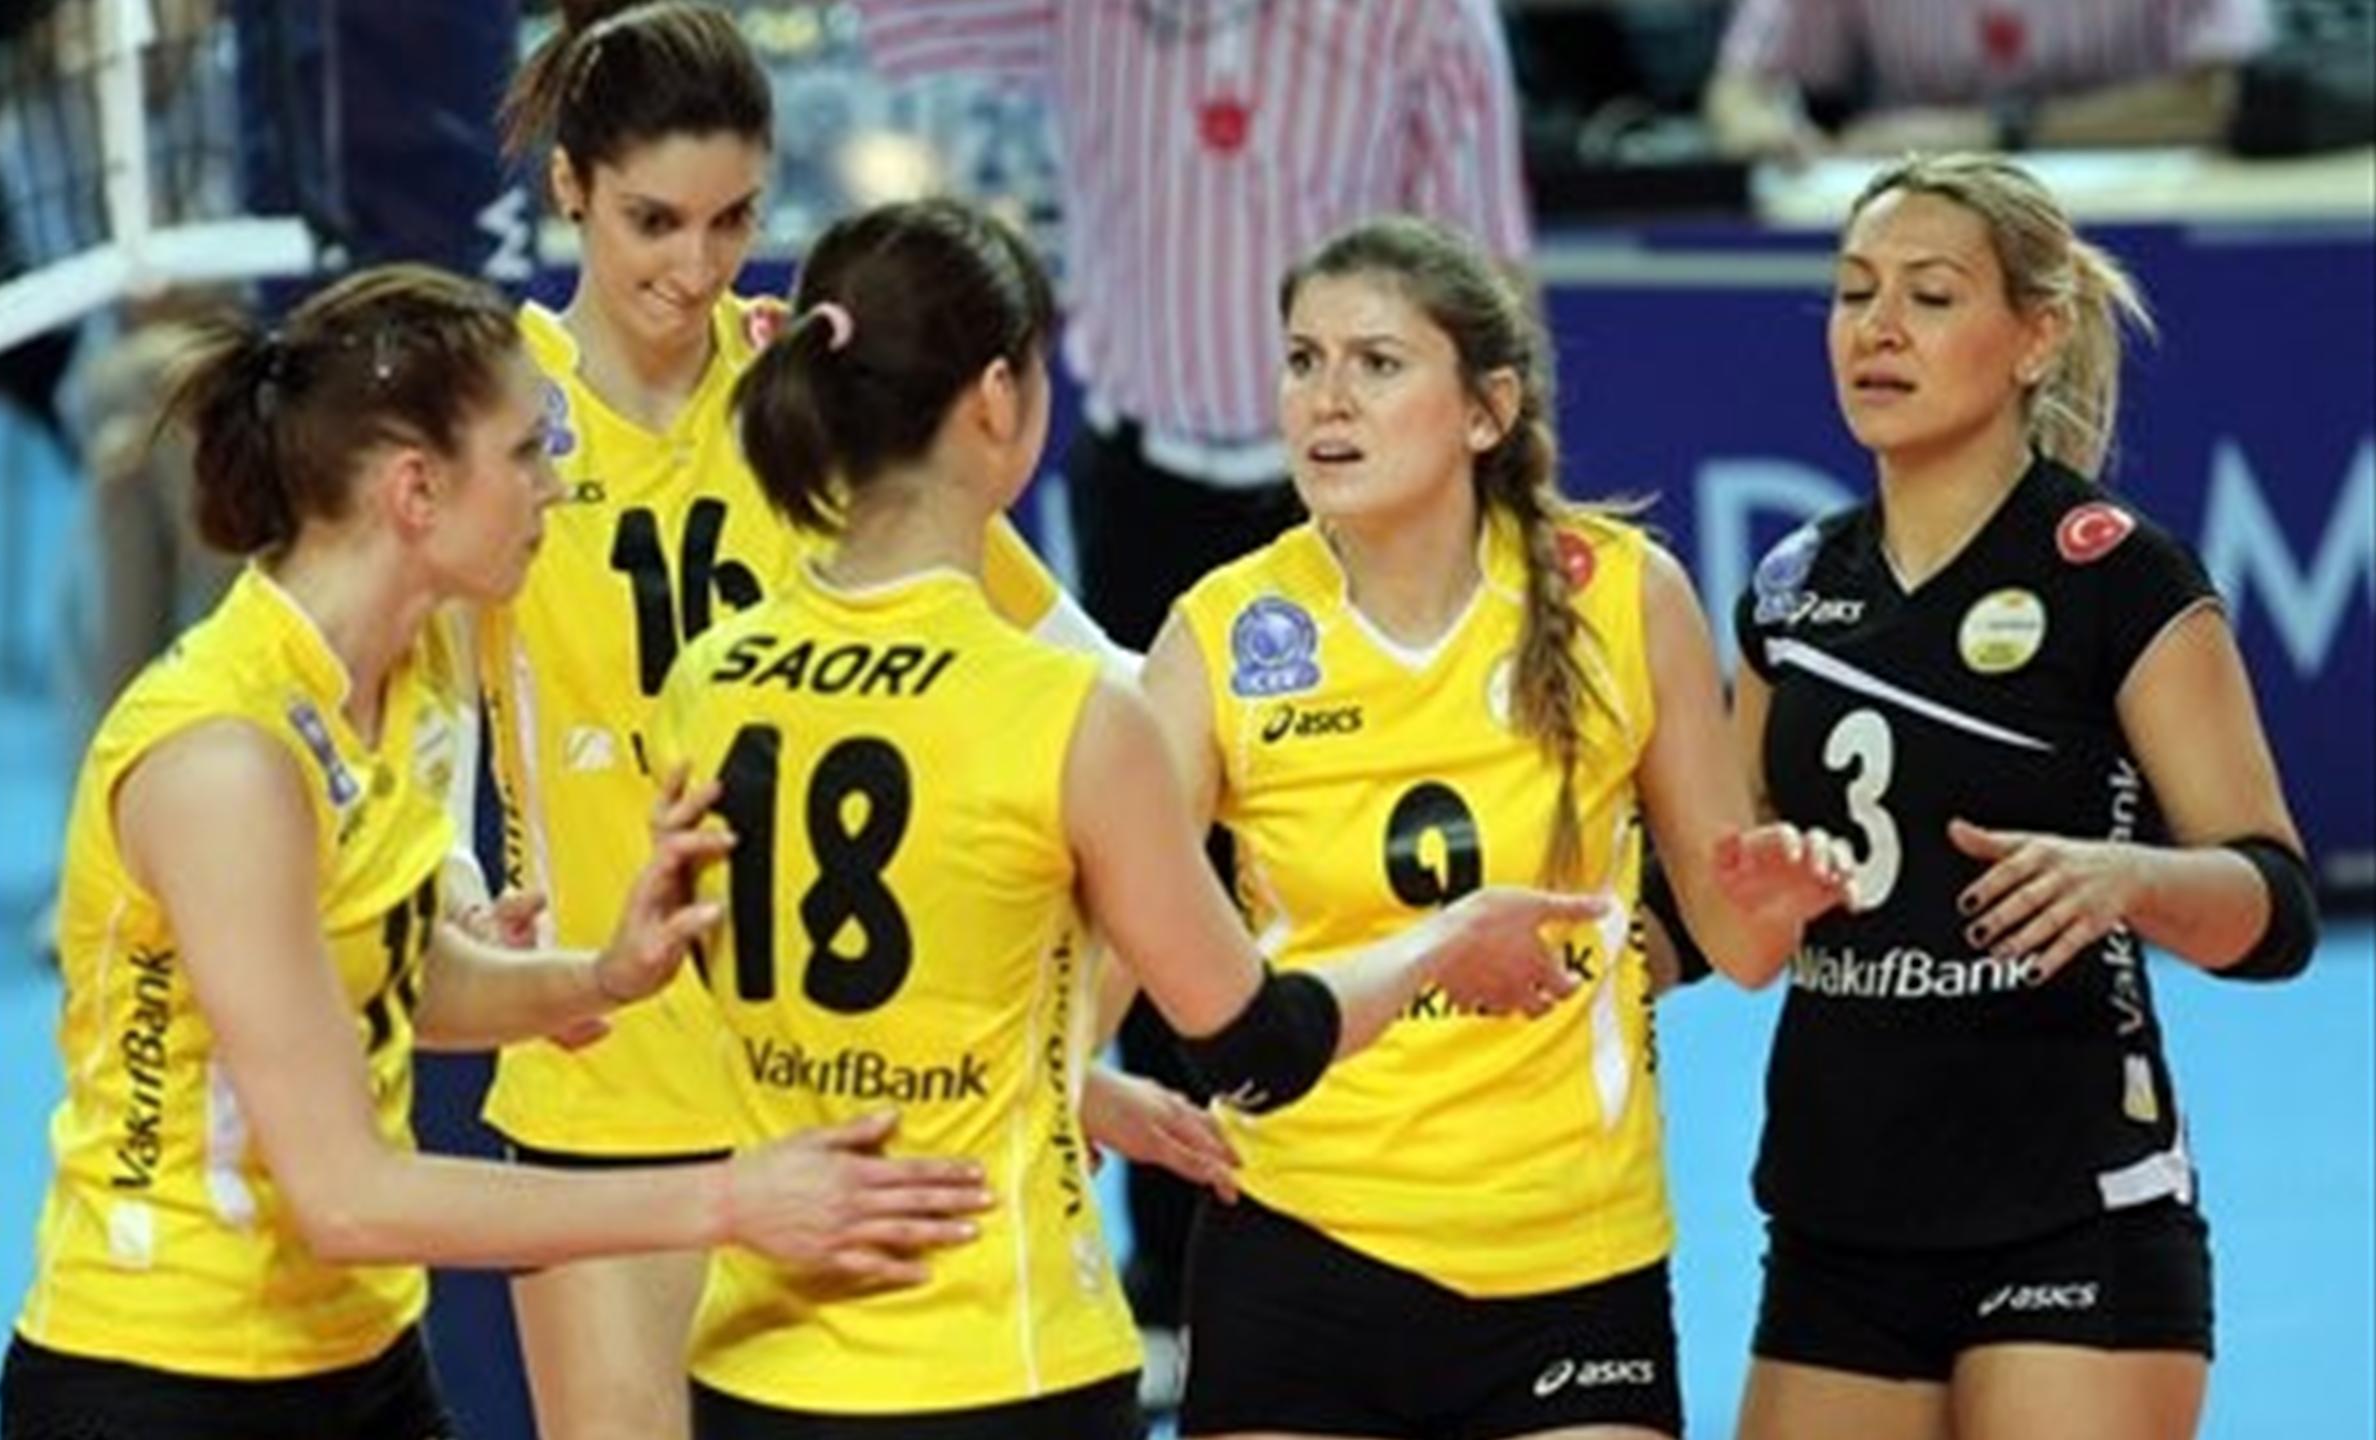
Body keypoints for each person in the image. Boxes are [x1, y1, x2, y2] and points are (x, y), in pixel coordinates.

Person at [650, 194, 1613, 1440]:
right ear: (997, 398)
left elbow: (819, 995)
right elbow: (1257, 1046)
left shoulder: (708, 679)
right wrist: (1445, 939)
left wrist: (1072, 1090)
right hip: (997, 1355)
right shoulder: (1065, 712)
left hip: (757, 1363)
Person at [0, 264, 998, 1440]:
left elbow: (377, 984)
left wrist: (592, 979)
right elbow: (348, 1197)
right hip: (162, 1381)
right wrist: (730, 1200)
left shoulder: (407, 674)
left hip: (360, 1356)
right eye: (526, 454)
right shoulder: (226, 763)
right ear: (415, 489)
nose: (554, 486)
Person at [477, 8, 1161, 1437]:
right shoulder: (494, 414)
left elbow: (1113, 693)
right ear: (569, 188)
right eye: (653, 220)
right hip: (602, 1091)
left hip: (825, 1104)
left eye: (733, 220)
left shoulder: (809, 396)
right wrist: (461, 899)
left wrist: (1061, 1045)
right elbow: (403, 742)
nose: (695, 266)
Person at [854, 0, 1540, 1337]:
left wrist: (1502, 514)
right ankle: (1168, 1267)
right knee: (1129, 863)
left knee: (1338, 858)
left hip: (1348, 499)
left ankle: (1367, 1216)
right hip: (1142, 479)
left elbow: (1489, 285)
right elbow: (881, 33)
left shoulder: (1424, 20)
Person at [1131, 215, 1851, 1440]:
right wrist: (1075, 1089)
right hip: (1301, 1240)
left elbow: (1737, 945)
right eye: (1302, 360)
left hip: (1568, 1258)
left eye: (1376, 363)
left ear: (1486, 409)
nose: (1325, 400)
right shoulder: (1223, 631)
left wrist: (1775, 896)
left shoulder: (1623, 594)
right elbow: (1112, 923)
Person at [1641, 153, 2317, 1440]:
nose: (1877, 328)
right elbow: (1713, 899)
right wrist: (1603, 950)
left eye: (1932, 296)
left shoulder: (2118, 576)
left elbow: (2277, 908)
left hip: (2074, 1205)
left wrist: (2131, 880)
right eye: (1854, 292)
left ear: (2034, 336)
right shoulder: (1791, 590)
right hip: (1840, 1216)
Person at [1704, 0, 2274, 159]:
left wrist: (1995, 132)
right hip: (1928, 219)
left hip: (2150, 216)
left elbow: (2216, 97)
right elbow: (1738, 89)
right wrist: (1758, 129)